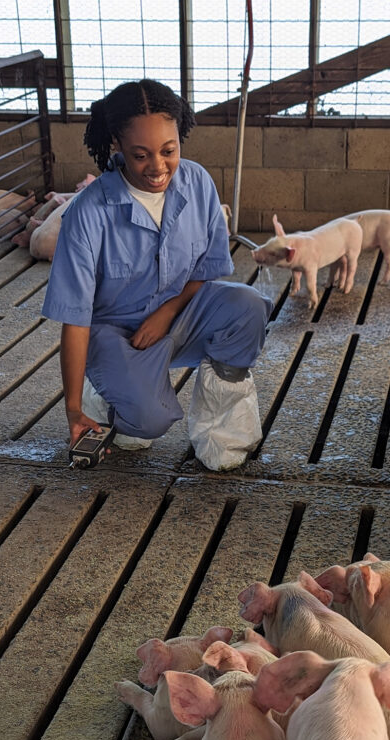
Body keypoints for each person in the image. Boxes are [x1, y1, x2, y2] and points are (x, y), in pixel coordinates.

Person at [41, 78, 271, 471]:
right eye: (141, 155)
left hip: (180, 313)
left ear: (181, 138)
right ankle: (107, 395)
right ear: (117, 144)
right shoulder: (87, 211)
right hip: (115, 334)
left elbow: (205, 269)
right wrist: (73, 408)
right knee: (147, 423)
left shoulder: (197, 182)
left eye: (169, 151)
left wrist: (167, 313)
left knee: (247, 306)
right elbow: (75, 319)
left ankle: (223, 437)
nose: (158, 167)